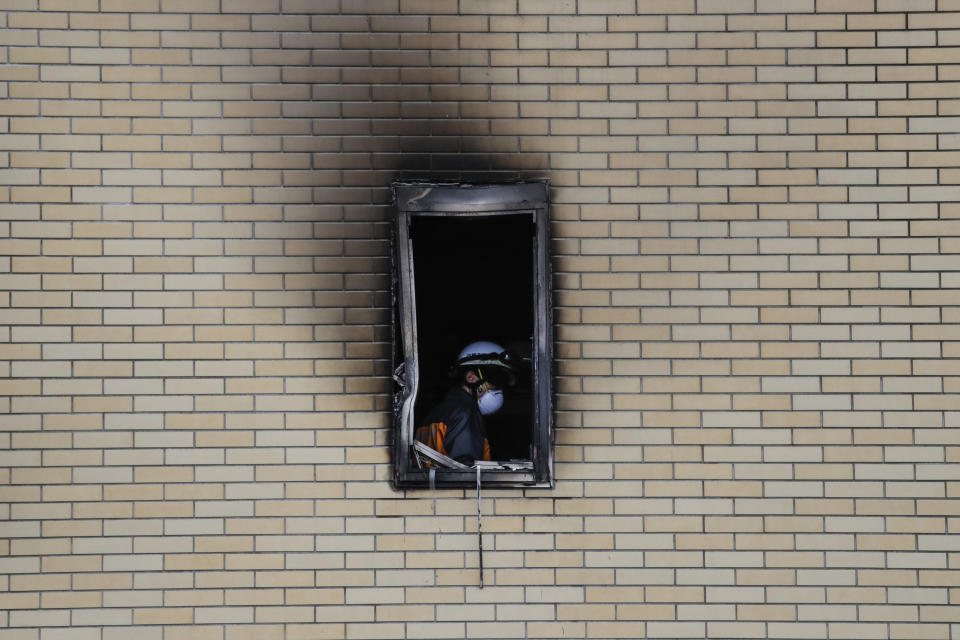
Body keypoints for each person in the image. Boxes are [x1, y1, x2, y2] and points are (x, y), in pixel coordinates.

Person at [414, 341, 516, 466]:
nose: (497, 388)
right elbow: (466, 473)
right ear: (471, 377)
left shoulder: (439, 412)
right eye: (495, 380)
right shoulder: (465, 413)